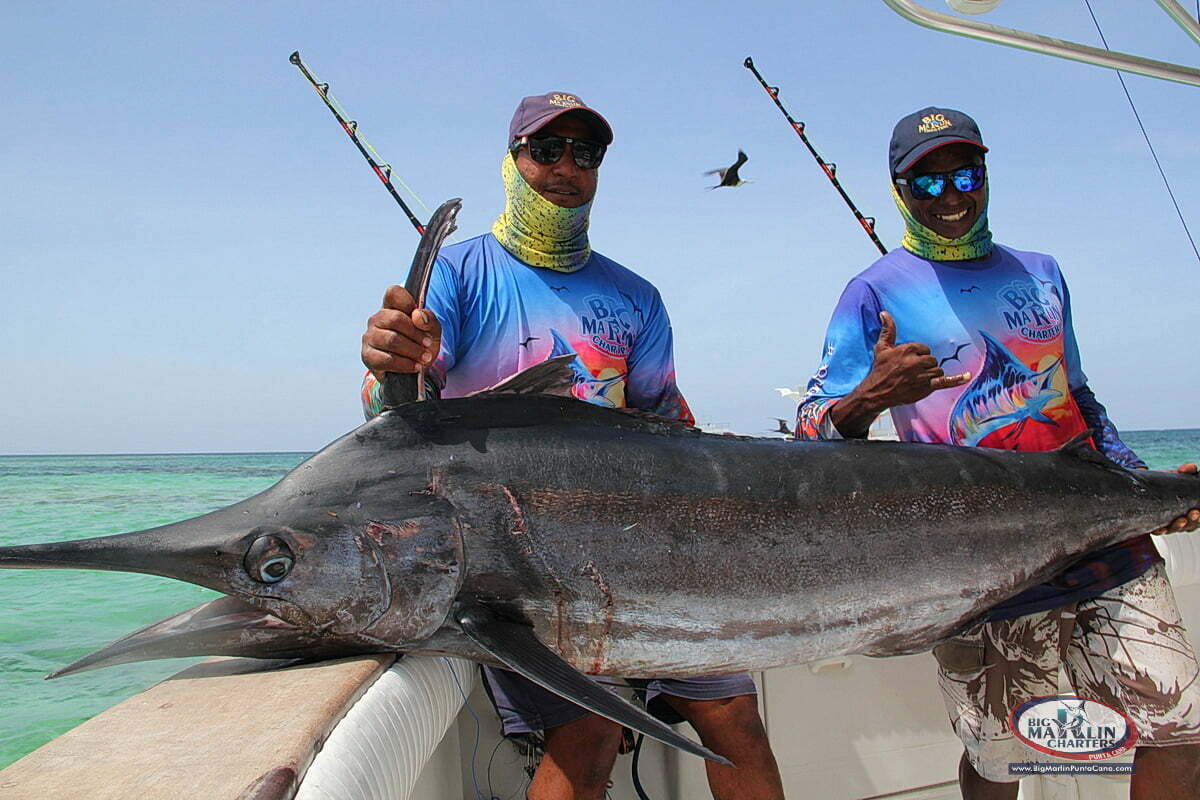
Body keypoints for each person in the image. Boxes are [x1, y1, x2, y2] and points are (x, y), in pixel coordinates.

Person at [360, 91, 785, 800]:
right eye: (546, 149)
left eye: (584, 153)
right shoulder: (459, 275)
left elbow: (668, 428)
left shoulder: (637, 297)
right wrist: (391, 366)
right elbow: (403, 411)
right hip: (517, 566)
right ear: (513, 159)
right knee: (588, 733)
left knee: (736, 718)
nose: (565, 167)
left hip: (643, 552)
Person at [795, 106, 1200, 799]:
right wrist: (868, 398)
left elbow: (1077, 396)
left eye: (965, 175)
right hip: (979, 568)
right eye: (927, 183)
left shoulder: (1042, 273)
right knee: (1000, 758)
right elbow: (812, 431)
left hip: (1105, 547)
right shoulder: (873, 292)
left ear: (985, 174)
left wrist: (1140, 487)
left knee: (1181, 730)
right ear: (899, 190)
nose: (950, 196)